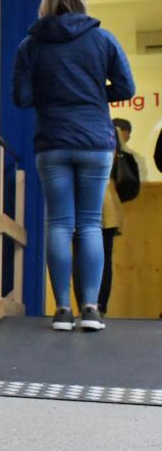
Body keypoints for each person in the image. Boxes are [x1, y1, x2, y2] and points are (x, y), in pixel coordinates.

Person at [12, 0, 135, 332]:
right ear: (81, 0)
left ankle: (63, 309)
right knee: (90, 224)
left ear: (47, 2)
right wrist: (94, 96)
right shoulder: (103, 39)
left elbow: (21, 97)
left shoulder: (30, 45)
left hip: (53, 142)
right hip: (96, 143)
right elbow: (127, 87)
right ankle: (92, 309)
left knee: (60, 224)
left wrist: (53, 98)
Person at [73, 120, 137, 315]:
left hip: (80, 199)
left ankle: (82, 306)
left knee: (80, 256)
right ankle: (99, 307)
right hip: (107, 202)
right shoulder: (111, 132)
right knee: (104, 258)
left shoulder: (77, 129)